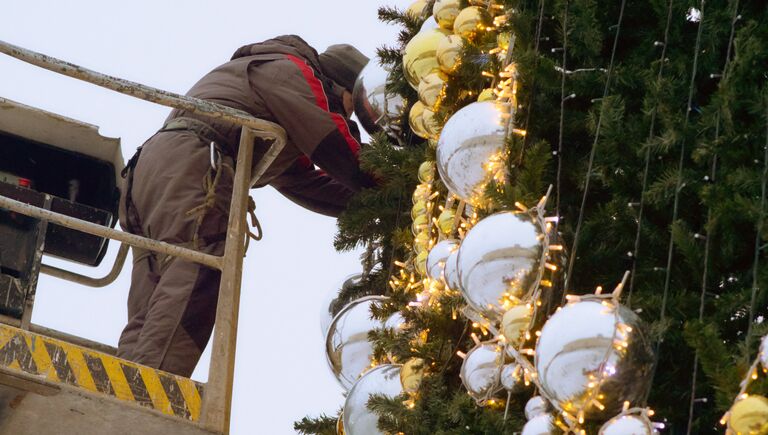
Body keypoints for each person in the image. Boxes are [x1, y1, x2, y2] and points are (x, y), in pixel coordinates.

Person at [117, 35, 374, 377]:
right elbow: (334, 143)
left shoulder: (266, 86)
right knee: (196, 274)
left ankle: (124, 386)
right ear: (338, 86)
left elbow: (301, 180)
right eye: (350, 106)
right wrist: (397, 180)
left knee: (152, 301)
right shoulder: (291, 71)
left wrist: (370, 201)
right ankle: (149, 398)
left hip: (154, 169)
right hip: (194, 164)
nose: (348, 115)